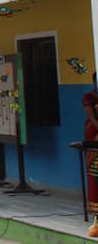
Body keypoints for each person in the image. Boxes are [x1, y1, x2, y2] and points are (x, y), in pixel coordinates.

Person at [84, 72, 98, 237]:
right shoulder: (89, 97)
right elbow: (92, 118)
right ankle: (96, 218)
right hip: (93, 138)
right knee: (95, 175)